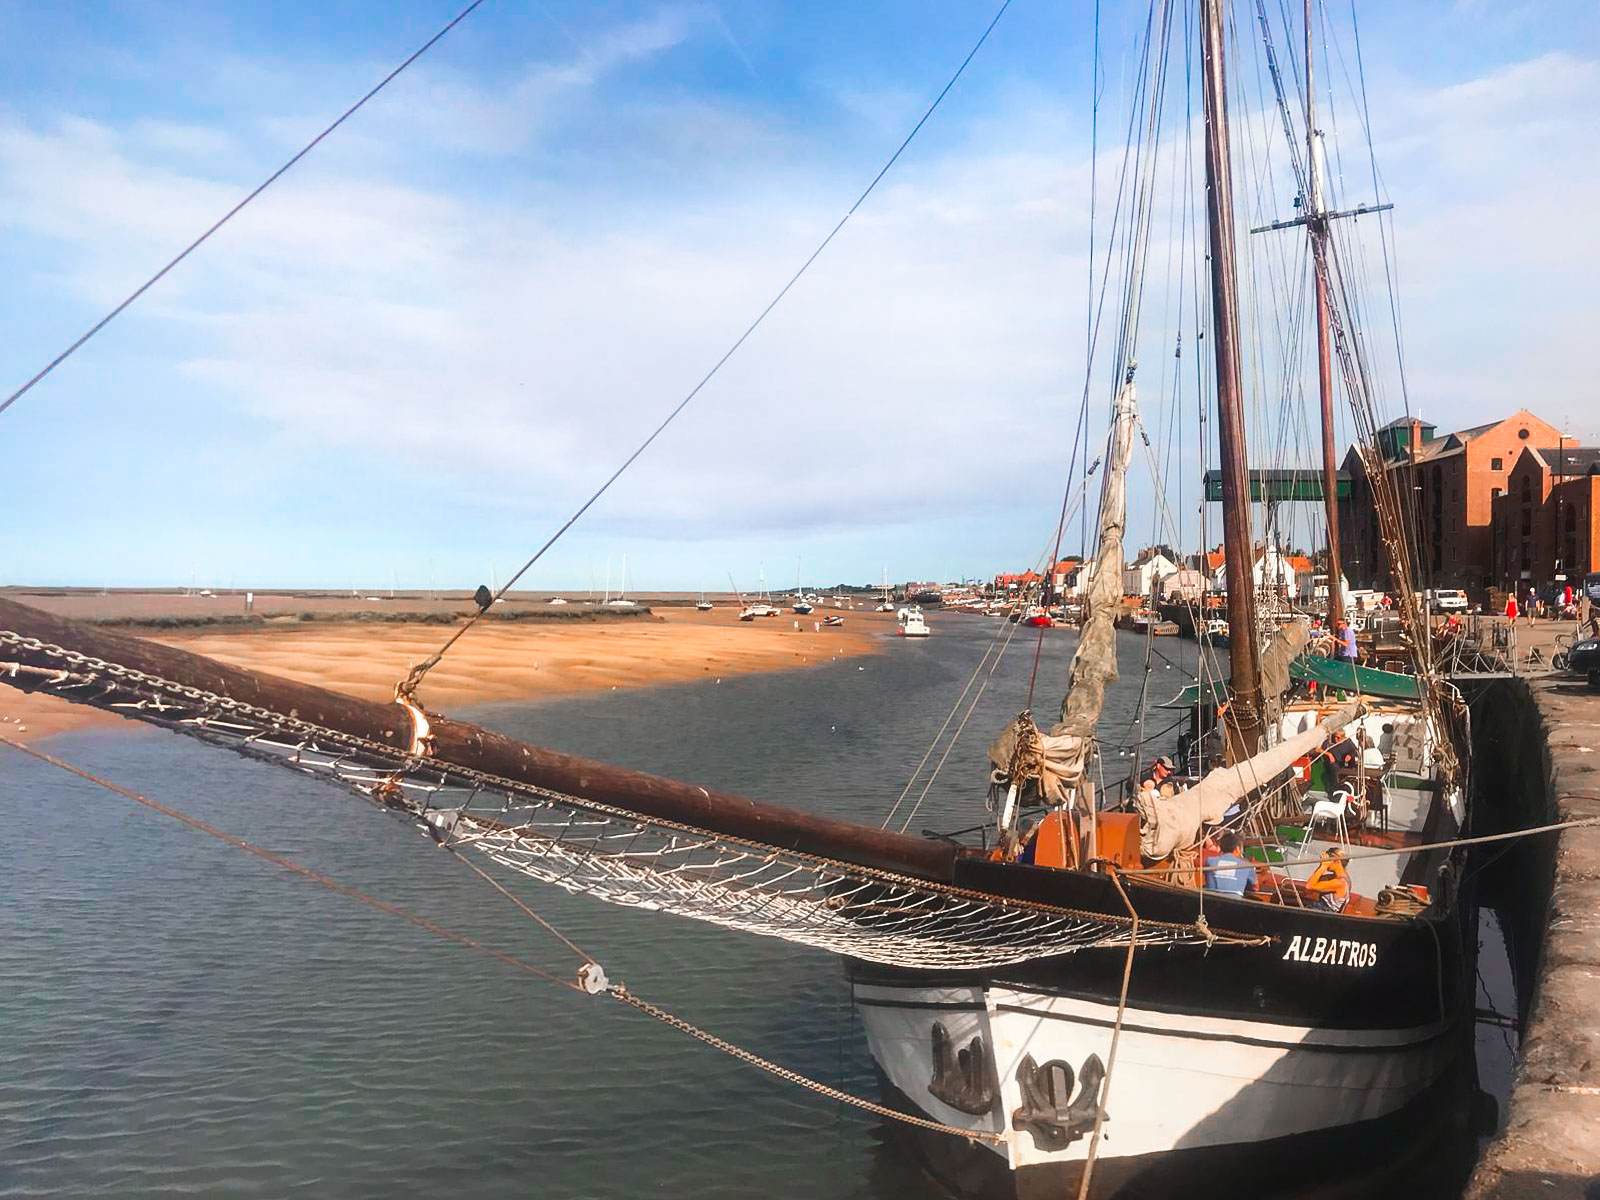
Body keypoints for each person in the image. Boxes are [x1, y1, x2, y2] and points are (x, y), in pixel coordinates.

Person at [1205, 832, 1254, 896]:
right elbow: (1255, 887)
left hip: (1212, 902)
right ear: (1237, 849)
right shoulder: (1247, 865)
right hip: (1234, 903)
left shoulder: (1210, 861)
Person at [1304, 846, 1351, 912]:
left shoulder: (1340, 882)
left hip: (1324, 910)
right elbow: (1315, 880)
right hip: (1320, 907)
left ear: (1336, 861)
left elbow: (1309, 886)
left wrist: (1323, 866)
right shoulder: (1336, 877)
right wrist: (1321, 865)